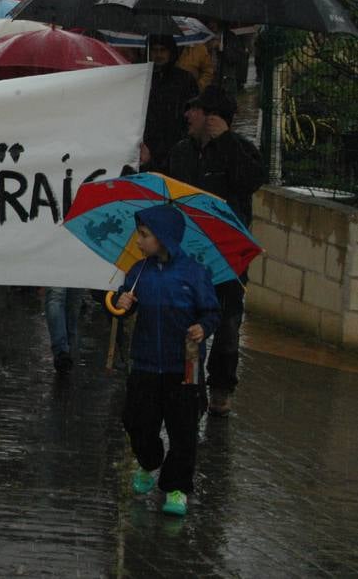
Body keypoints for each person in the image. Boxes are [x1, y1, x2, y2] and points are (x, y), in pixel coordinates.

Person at [166, 86, 266, 416]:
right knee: (190, 324)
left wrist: (225, 143)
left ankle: (221, 387)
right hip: (188, 256)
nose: (186, 115)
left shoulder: (241, 150)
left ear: (212, 117)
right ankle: (191, 385)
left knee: (226, 327)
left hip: (227, 261)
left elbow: (250, 181)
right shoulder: (181, 151)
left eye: (193, 110)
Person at [115, 205, 220, 517]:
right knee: (136, 421)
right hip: (145, 362)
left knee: (183, 430)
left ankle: (176, 487)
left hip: (184, 367)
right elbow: (121, 306)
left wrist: (204, 327)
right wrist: (121, 304)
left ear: (163, 238)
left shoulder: (194, 274)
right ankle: (149, 462)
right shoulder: (138, 272)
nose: (138, 241)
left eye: (144, 235)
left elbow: (212, 312)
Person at [138, 35, 199, 173]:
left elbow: (194, 114)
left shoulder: (185, 80)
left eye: (163, 50)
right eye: (154, 50)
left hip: (176, 146)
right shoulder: (142, 79)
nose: (158, 55)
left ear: (171, 52)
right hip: (148, 149)